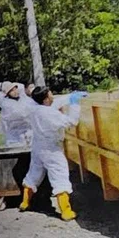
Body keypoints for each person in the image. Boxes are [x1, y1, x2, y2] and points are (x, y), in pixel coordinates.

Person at [19, 87, 86, 221]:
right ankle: (66, 212)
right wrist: (74, 104)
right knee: (60, 176)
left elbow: (53, 104)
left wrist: (68, 97)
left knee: (33, 175)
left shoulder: (34, 109)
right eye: (51, 95)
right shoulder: (49, 114)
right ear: (45, 99)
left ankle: (25, 202)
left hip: (38, 147)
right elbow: (71, 122)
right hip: (52, 149)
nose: (53, 97)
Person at [0, 80, 33, 147]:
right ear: (8, 93)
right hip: (14, 134)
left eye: (15, 89)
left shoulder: (25, 99)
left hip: (28, 131)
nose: (15, 92)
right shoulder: (7, 103)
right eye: (12, 91)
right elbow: (19, 114)